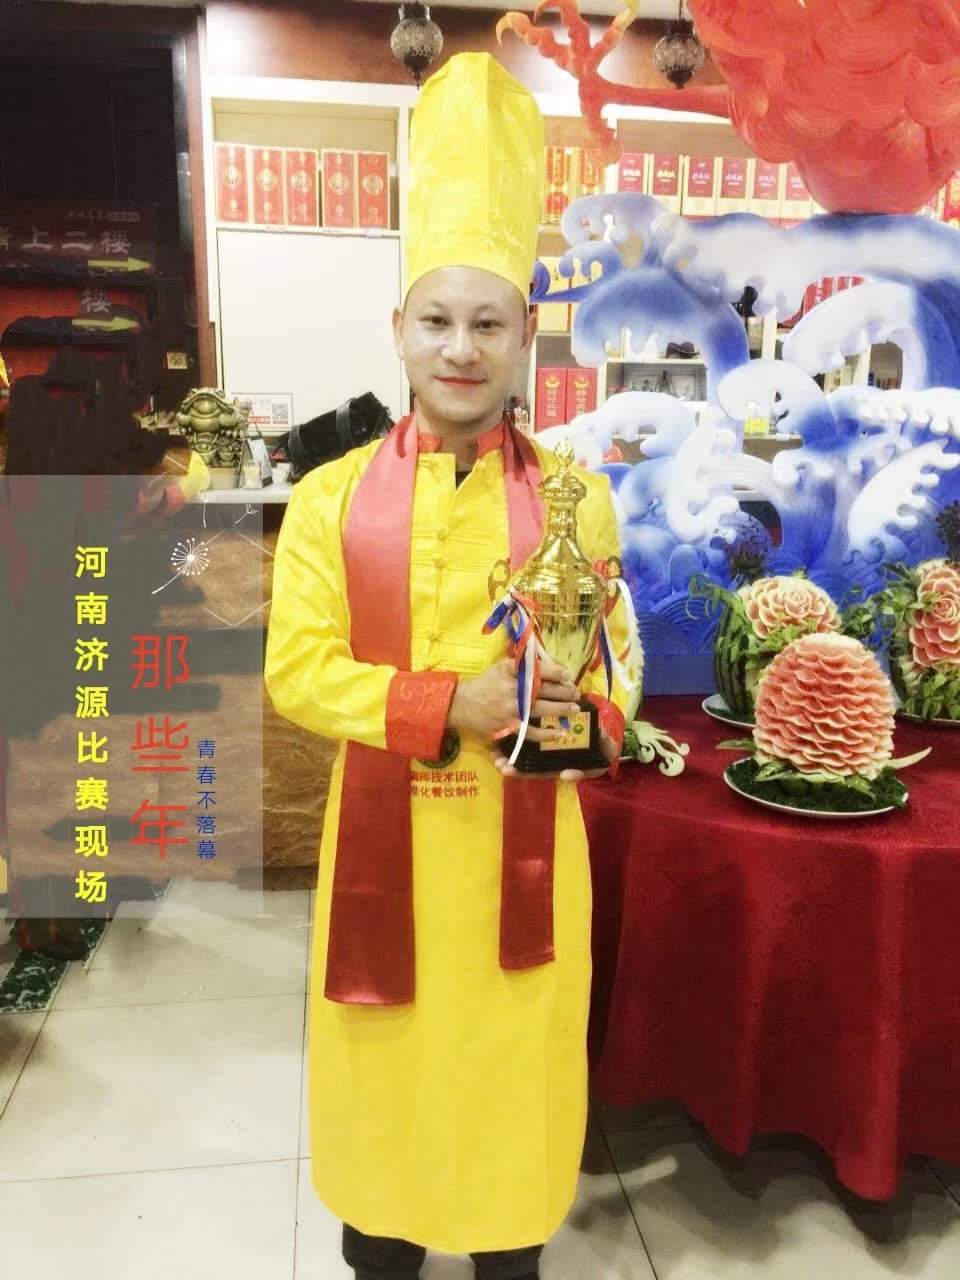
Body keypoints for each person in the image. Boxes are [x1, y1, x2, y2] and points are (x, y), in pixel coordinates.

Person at [265, 53, 634, 1280]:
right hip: (385, 861)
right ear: (400, 332)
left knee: (509, 1116)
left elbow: (611, 692)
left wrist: (562, 719)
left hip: (522, 868)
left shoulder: (578, 504)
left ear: (528, 334)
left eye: (488, 323)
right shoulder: (328, 501)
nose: (461, 348)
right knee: (387, 1125)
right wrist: (451, 699)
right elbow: (298, 671)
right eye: (438, 320)